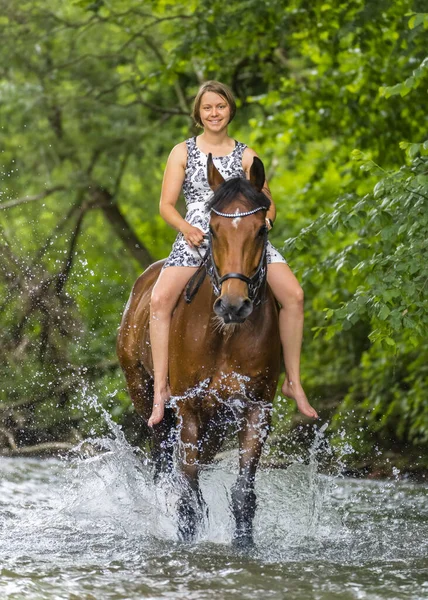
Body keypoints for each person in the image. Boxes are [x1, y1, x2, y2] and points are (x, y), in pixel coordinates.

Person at [148, 81, 318, 427]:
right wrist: (185, 228)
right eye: (208, 107)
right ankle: (161, 388)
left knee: (295, 296)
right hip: (199, 229)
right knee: (159, 300)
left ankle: (294, 383)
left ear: (230, 111)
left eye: (220, 107)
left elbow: (266, 201)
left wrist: (267, 220)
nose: (214, 113)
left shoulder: (247, 155)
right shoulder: (182, 152)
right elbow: (166, 205)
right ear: (198, 113)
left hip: (242, 233)